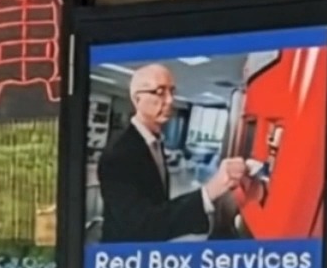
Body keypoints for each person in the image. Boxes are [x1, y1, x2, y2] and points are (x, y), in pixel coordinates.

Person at [97, 62, 261, 243]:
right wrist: (209, 191)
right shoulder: (119, 154)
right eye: (159, 92)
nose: (169, 100)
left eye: (171, 92)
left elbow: (159, 206)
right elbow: (141, 226)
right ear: (137, 100)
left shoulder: (155, 142)